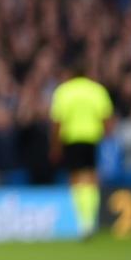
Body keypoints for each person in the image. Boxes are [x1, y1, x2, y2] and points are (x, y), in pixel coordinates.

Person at [49, 64, 114, 238]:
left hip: (72, 140)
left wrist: (55, 146)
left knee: (76, 179)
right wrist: (108, 141)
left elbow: (57, 122)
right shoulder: (96, 90)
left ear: (70, 73)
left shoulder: (64, 91)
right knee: (92, 178)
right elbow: (107, 120)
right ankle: (91, 220)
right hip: (92, 139)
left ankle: (82, 222)